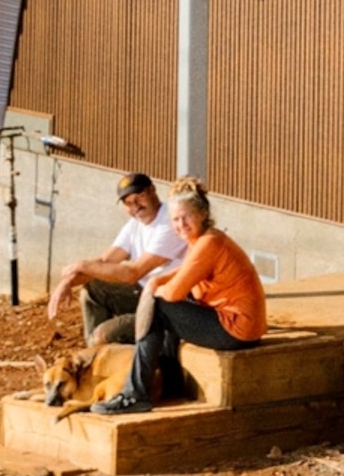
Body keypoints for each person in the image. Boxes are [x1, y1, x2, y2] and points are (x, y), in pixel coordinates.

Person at [96, 184, 267, 413]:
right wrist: (156, 282)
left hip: (236, 329)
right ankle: (167, 381)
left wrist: (151, 293)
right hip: (240, 326)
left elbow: (173, 292)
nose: (181, 225)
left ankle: (135, 394)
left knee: (160, 305)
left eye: (187, 217)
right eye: (175, 220)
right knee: (165, 305)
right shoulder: (205, 239)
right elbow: (183, 272)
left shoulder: (209, 243)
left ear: (203, 214)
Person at [45, 171, 185, 349]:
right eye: (128, 203)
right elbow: (104, 262)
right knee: (94, 288)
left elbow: (133, 273)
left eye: (139, 198)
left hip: (166, 305)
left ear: (152, 190)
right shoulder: (135, 224)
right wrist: (68, 281)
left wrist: (81, 265)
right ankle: (95, 352)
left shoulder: (170, 222)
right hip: (144, 293)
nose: (135, 206)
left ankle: (99, 351)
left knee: (103, 336)